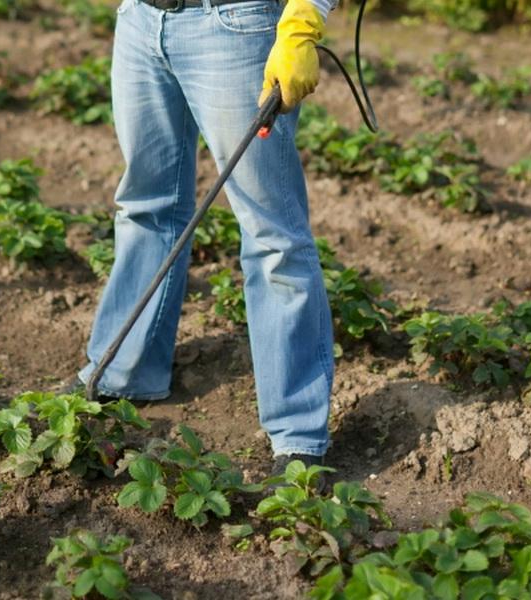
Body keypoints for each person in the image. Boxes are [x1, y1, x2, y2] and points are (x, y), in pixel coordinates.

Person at [70, 0, 336, 474]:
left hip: (235, 26)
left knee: (273, 238)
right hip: (141, 21)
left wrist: (302, 23)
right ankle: (124, 373)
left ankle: (298, 435)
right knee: (145, 208)